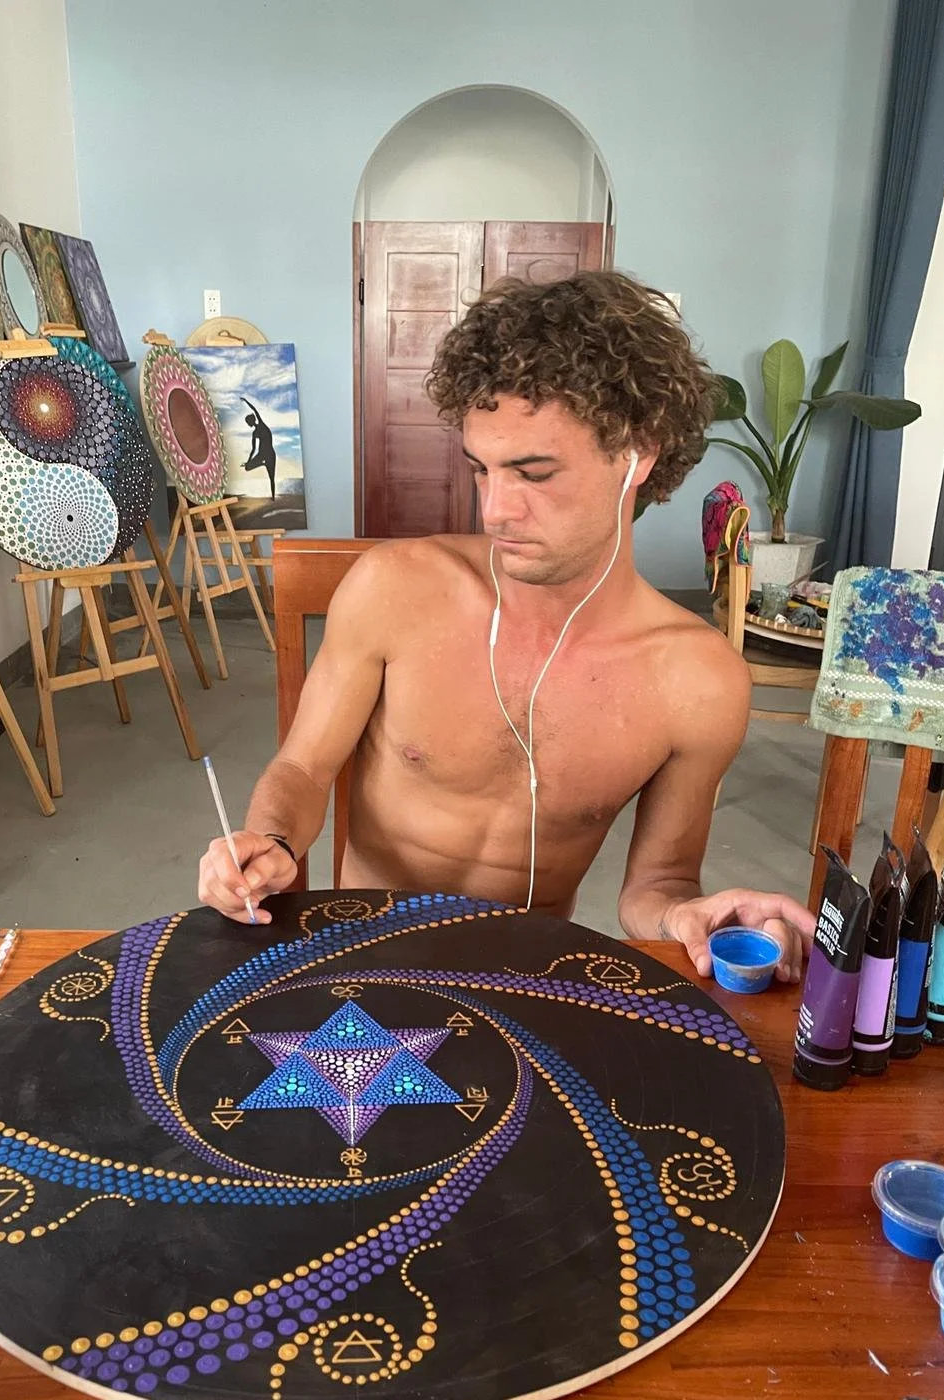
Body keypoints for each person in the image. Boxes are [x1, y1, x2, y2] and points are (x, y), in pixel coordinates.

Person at [198, 271, 814, 982]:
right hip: (363, 960)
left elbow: (659, 886)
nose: (494, 511)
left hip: (526, 983)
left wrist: (685, 916)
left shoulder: (698, 682)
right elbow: (303, 769)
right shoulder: (398, 590)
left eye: (534, 473)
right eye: (482, 470)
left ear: (638, 452)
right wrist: (267, 840)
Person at [242, 398, 277, 499]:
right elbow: (253, 450)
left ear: (251, 421)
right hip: (262, 454)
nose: (248, 424)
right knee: (247, 467)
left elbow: (254, 409)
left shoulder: (261, 424)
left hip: (269, 454)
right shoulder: (254, 433)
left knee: (272, 477)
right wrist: (248, 462)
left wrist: (245, 401)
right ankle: (263, 464)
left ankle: (273, 497)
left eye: (248, 422)